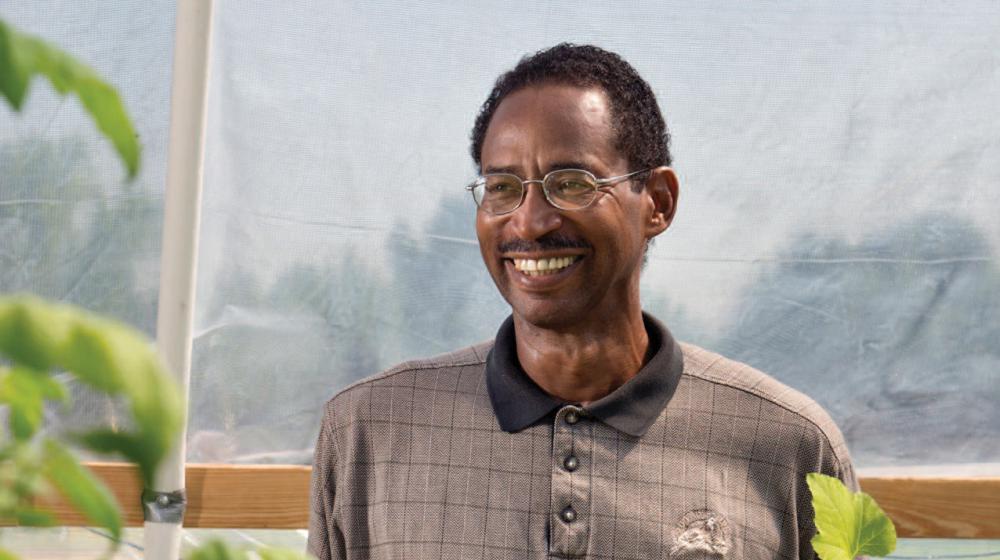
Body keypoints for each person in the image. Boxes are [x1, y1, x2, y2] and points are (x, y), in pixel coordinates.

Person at [308, 43, 858, 560]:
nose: (529, 221)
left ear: (658, 203)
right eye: (502, 187)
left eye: (571, 183)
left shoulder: (792, 446)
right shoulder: (367, 430)